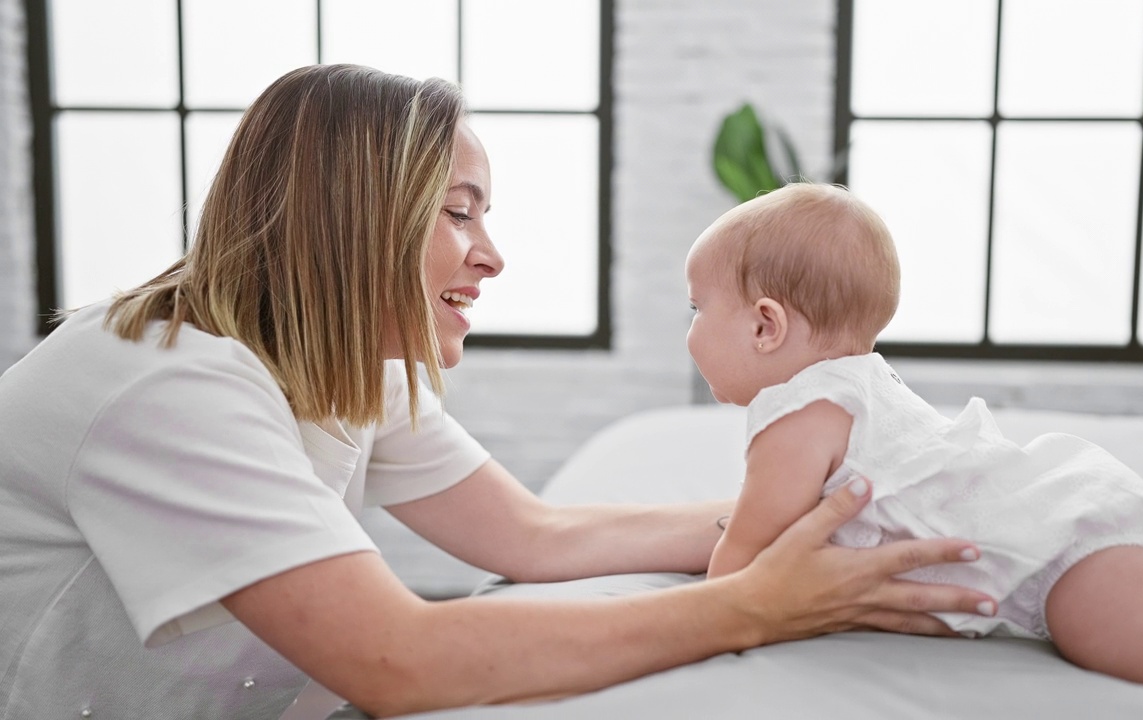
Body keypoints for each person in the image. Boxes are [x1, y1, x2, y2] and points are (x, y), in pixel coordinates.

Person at [0, 65, 1000, 720]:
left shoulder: (343, 358)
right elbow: (398, 660)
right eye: (460, 214)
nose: (491, 257)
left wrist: (841, 517)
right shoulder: (167, 389)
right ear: (357, 218)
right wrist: (753, 606)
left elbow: (538, 538)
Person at [689, 181, 1143, 709]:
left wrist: (703, 613)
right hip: (1072, 518)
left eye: (698, 308)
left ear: (766, 325)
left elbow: (738, 579)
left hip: (1064, 564)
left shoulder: (794, 416)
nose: (690, 329)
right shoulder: (863, 383)